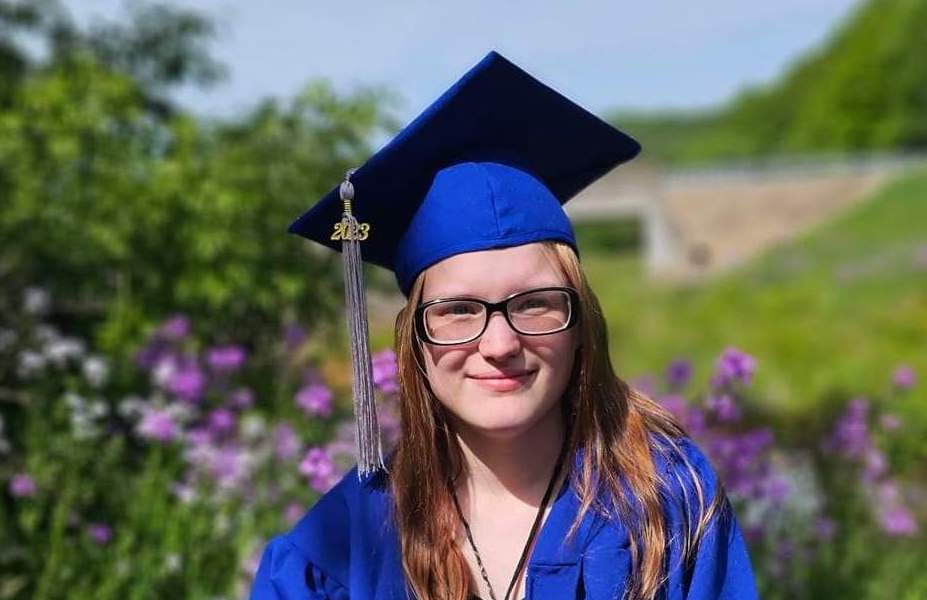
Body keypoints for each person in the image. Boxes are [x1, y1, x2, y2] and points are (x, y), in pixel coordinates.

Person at [250, 51, 758, 600]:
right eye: (458, 310)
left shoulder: (669, 505)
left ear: (581, 322)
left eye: (535, 303)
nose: (500, 344)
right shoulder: (337, 556)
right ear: (413, 340)